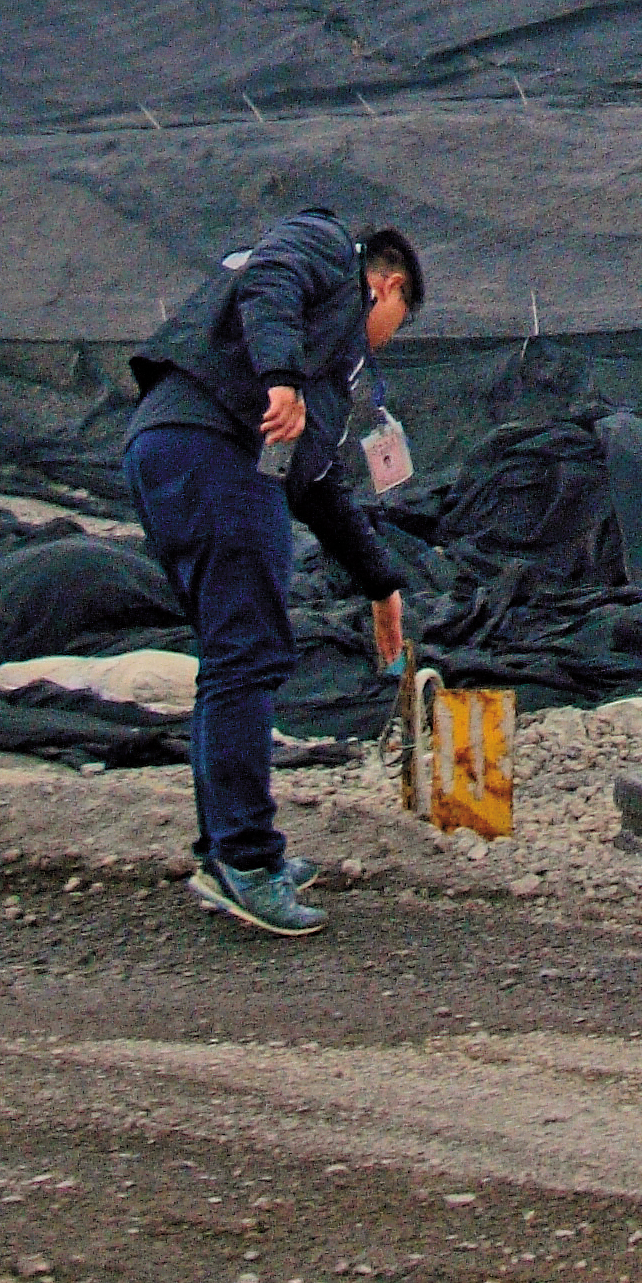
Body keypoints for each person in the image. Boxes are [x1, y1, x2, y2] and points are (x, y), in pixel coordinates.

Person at [120, 207, 421, 936]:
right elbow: (271, 279)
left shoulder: (324, 370)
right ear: (386, 286)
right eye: (399, 321)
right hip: (210, 448)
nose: (387, 342)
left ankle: (222, 849)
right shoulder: (322, 247)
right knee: (250, 653)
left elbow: (316, 485)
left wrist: (380, 583)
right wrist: (280, 378)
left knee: (230, 656)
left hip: (178, 451)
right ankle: (247, 862)